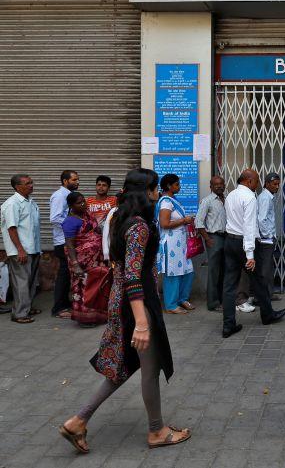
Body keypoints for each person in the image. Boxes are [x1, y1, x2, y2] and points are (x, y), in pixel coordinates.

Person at [59, 168, 190, 454]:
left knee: (126, 365)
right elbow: (132, 274)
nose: (157, 193)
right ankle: (157, 430)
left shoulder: (119, 217)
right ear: (146, 192)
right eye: (155, 188)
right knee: (149, 366)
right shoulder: (140, 226)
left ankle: (78, 421)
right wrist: (142, 322)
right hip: (135, 303)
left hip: (126, 299)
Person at [221, 169, 285, 338]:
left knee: (229, 285)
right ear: (249, 181)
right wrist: (250, 255)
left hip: (230, 240)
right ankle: (268, 315)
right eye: (257, 181)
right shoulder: (249, 197)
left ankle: (228, 325)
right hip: (243, 244)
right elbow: (249, 227)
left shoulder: (230, 195)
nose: (258, 185)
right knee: (258, 280)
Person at [1, 175, 41, 324]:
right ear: (17, 187)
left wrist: (37, 249)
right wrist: (20, 250)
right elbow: (12, 228)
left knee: (30, 282)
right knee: (21, 283)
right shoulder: (12, 204)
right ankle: (19, 314)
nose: (31, 185)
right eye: (27, 183)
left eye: (31, 182)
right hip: (21, 250)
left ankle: (26, 308)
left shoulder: (30, 202)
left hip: (33, 248)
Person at [62, 192, 106, 327]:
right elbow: (69, 245)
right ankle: (84, 319)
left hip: (96, 260)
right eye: (79, 203)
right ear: (70, 206)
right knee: (83, 289)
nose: (83, 204)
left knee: (96, 286)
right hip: (81, 261)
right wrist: (75, 265)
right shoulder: (69, 221)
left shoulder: (88, 216)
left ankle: (97, 316)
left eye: (83, 201)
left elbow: (96, 230)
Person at [156, 174, 196, 315]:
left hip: (181, 244)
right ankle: (171, 305)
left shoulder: (174, 200)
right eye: (177, 184)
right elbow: (164, 224)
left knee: (188, 271)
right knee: (173, 273)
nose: (179, 187)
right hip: (171, 243)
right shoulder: (166, 202)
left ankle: (182, 299)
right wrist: (184, 220)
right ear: (169, 186)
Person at [195, 176, 227, 312]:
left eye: (221, 184)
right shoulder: (207, 201)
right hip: (214, 238)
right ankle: (213, 303)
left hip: (226, 237)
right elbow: (198, 222)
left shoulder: (226, 200)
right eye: (216, 185)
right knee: (214, 271)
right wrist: (207, 239)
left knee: (224, 270)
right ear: (211, 186)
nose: (219, 186)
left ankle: (222, 299)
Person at [50, 170, 79, 319]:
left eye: (77, 179)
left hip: (68, 240)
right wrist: (72, 225)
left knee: (67, 274)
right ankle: (58, 308)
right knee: (63, 274)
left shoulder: (67, 195)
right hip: (62, 241)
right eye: (74, 180)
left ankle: (64, 304)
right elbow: (55, 218)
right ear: (65, 181)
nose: (77, 182)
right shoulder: (59, 196)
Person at [257, 172, 281, 301]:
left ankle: (268, 293)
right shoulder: (265, 198)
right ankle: (264, 295)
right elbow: (262, 219)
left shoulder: (268, 197)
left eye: (278, 184)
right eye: (274, 184)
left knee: (268, 266)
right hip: (266, 239)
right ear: (266, 184)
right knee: (265, 268)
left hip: (268, 238)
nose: (277, 187)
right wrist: (268, 236)